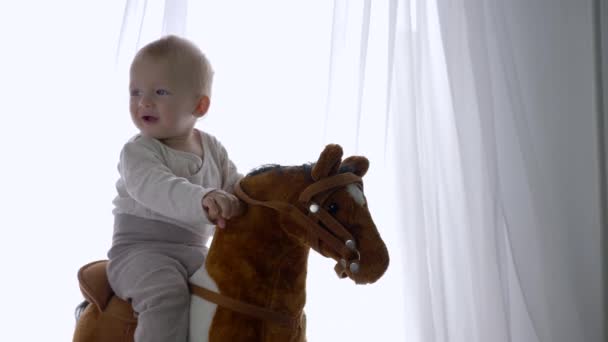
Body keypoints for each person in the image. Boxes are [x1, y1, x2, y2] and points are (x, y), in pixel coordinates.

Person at [106, 35, 243, 342]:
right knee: (166, 294)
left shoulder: (213, 149)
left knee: (232, 291)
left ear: (200, 105)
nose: (144, 102)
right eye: (135, 92)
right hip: (140, 252)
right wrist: (205, 198)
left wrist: (266, 194)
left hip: (195, 252)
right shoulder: (139, 152)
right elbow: (157, 187)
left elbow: (238, 188)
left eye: (160, 92)